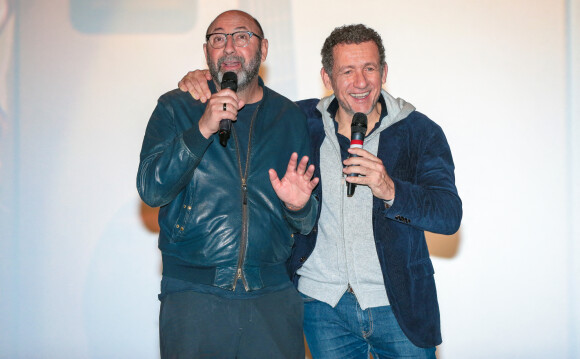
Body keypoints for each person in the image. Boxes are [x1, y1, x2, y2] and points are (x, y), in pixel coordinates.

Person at [179, 23, 462, 359]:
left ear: (384, 72)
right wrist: (205, 79)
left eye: (369, 68)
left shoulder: (419, 131)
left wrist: (389, 189)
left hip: (399, 306)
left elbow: (448, 215)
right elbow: (247, 98)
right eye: (347, 71)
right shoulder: (298, 120)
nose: (360, 82)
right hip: (322, 308)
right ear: (327, 79)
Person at [137, 10, 319, 359]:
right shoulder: (177, 107)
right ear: (207, 51)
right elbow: (151, 189)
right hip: (193, 295)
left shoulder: (290, 117)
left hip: (272, 296)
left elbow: (308, 221)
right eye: (218, 38)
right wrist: (201, 129)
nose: (230, 47)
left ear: (263, 49)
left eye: (242, 36)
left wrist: (299, 207)